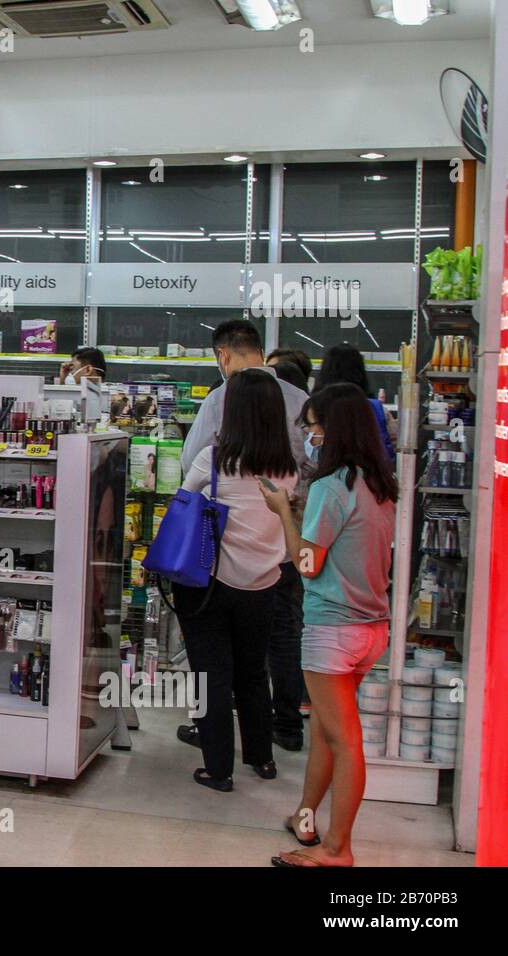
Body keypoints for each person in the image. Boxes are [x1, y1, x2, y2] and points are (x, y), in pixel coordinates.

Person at [260, 383, 398, 867]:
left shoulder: (330, 485)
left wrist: (283, 513)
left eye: (315, 426)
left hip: (331, 631)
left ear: (335, 428)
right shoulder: (380, 483)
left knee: (342, 740)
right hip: (371, 629)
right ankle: (306, 815)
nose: (311, 435)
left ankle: (338, 850)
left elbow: (306, 563)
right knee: (324, 729)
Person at [180, 319, 312, 754]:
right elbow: (313, 466)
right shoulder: (300, 399)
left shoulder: (221, 399)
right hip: (287, 544)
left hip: (222, 553)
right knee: (281, 636)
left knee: (216, 658)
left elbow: (189, 469)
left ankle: (214, 741)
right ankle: (284, 729)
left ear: (222, 355)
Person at [314, 343, 396, 462]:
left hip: (323, 472)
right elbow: (393, 442)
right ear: (360, 372)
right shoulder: (375, 407)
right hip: (368, 474)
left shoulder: (314, 407)